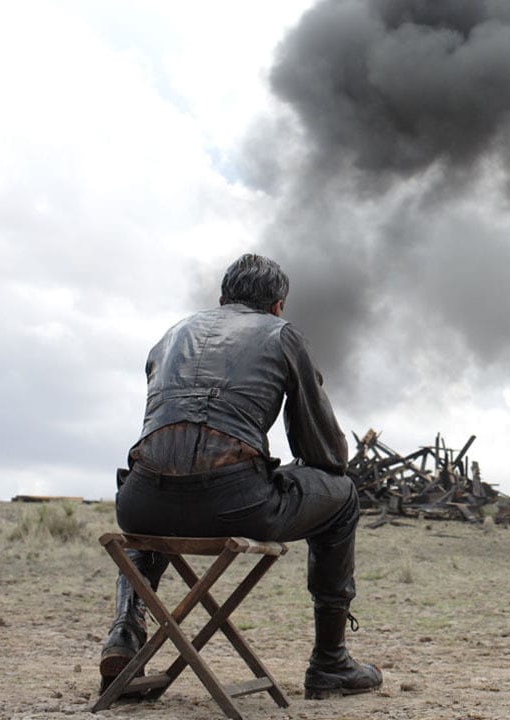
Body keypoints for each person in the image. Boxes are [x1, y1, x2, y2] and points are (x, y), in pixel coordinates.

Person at [98, 253, 381, 701]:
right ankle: (330, 663)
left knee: (153, 499)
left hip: (142, 502)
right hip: (234, 503)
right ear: (278, 306)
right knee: (342, 496)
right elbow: (324, 453)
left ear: (222, 298)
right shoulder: (283, 335)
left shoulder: (171, 335)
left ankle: (125, 635)